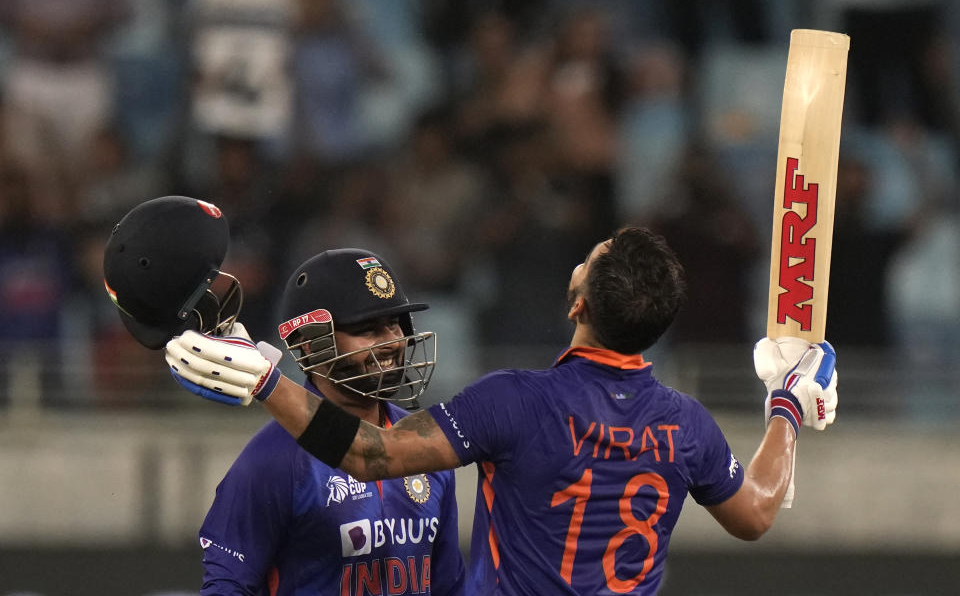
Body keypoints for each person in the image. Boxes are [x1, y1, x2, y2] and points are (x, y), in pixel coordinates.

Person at [164, 226, 838, 595]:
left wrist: (267, 384)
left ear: (578, 304)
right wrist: (786, 407)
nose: (392, 342)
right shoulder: (688, 425)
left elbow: (373, 456)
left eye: (587, 260)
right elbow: (756, 512)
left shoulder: (514, 402)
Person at [104, 197, 466, 594]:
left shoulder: (424, 447)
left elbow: (448, 586)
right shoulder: (271, 463)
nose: (392, 342)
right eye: (369, 329)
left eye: (396, 325)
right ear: (310, 345)